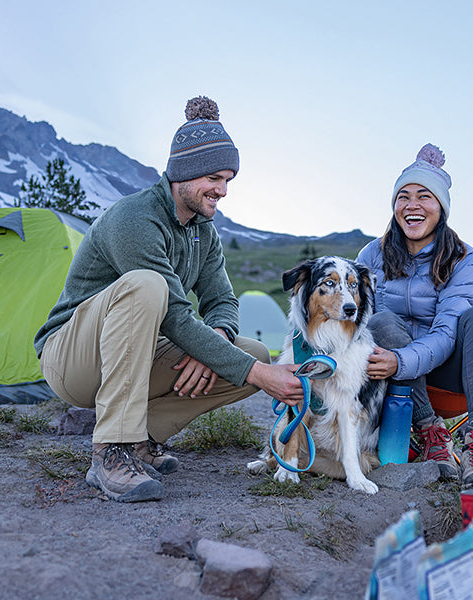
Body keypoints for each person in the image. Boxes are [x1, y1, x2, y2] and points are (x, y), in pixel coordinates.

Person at [34, 96, 304, 503]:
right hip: (72, 358)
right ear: (184, 172)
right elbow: (176, 316)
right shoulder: (134, 218)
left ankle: (142, 438)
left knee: (251, 351)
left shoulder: (202, 232)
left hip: (133, 355)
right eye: (214, 177)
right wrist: (260, 378)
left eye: (229, 179)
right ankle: (111, 450)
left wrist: (216, 338)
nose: (223, 190)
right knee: (148, 286)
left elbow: (223, 301)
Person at [357, 143, 473, 488]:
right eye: (403, 196)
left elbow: (447, 332)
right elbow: (360, 324)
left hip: (447, 374)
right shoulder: (371, 255)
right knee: (381, 322)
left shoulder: (465, 259)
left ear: (441, 207)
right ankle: (430, 434)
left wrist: (400, 360)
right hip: (393, 379)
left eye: (424, 196)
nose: (412, 205)